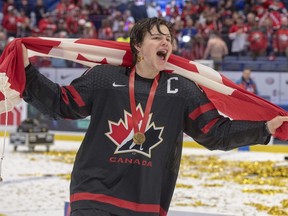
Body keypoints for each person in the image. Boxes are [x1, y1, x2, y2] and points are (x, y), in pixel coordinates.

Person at [21, 17, 288, 216]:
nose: (165, 42)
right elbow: (62, 104)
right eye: (157, 37)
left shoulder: (182, 89)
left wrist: (264, 128)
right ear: (137, 45)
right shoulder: (104, 78)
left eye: (168, 38)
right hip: (94, 194)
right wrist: (25, 71)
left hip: (145, 199)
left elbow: (214, 133)